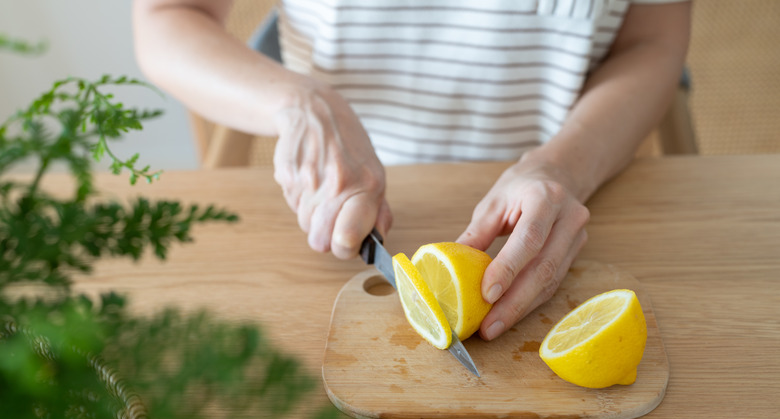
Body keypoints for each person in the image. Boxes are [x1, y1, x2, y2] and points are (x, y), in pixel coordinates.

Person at [132, 0, 691, 341]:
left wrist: (563, 168)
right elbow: (167, 16)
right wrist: (298, 103)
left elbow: (652, 42)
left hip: (572, 199)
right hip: (332, 209)